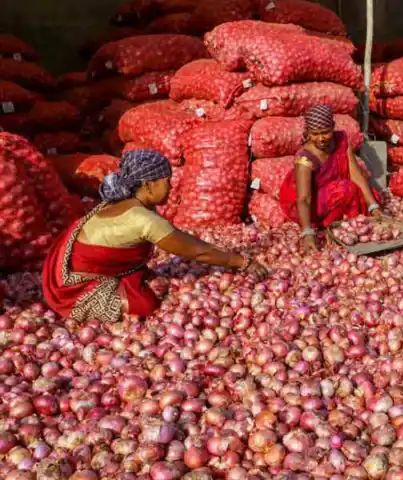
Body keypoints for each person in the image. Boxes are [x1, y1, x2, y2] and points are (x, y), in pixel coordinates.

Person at [42, 150, 267, 324]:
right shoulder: (144, 219)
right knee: (146, 304)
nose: (171, 185)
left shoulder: (123, 203)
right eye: (166, 180)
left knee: (150, 283)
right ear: (149, 185)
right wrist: (240, 262)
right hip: (74, 285)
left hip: (72, 269)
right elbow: (197, 250)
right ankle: (86, 299)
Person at [279, 105, 383, 253]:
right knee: (346, 189)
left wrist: (373, 206)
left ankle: (351, 227)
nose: (321, 138)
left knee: (372, 196)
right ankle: (336, 226)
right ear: (308, 132)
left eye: (325, 132)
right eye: (315, 134)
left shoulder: (341, 140)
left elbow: (356, 175)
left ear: (333, 127)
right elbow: (304, 199)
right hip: (310, 202)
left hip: (332, 190)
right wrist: (307, 232)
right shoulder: (305, 159)